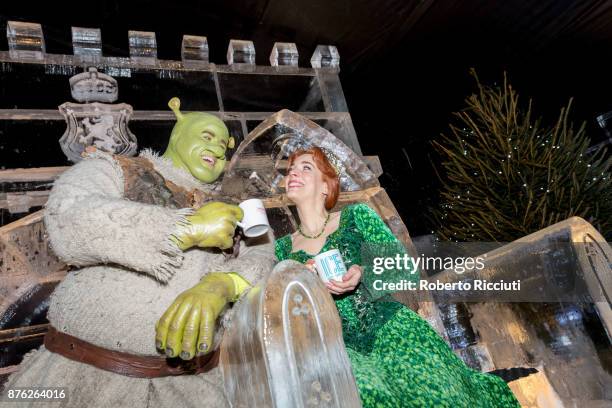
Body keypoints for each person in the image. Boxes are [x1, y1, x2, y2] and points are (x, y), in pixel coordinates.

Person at [3, 98, 275, 408]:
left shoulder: (238, 204)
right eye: (206, 136)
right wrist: (185, 229)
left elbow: (263, 258)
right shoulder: (118, 170)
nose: (216, 150)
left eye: (223, 146)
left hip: (191, 391)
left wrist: (223, 285)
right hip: (74, 381)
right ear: (178, 133)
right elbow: (68, 216)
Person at [275, 146, 520, 407]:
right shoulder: (282, 249)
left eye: (305, 168)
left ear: (326, 186)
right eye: (290, 170)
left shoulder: (356, 216)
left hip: (388, 328)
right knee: (367, 395)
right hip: (339, 346)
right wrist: (306, 284)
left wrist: (362, 272)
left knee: (434, 398)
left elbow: (403, 268)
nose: (294, 174)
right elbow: (283, 311)